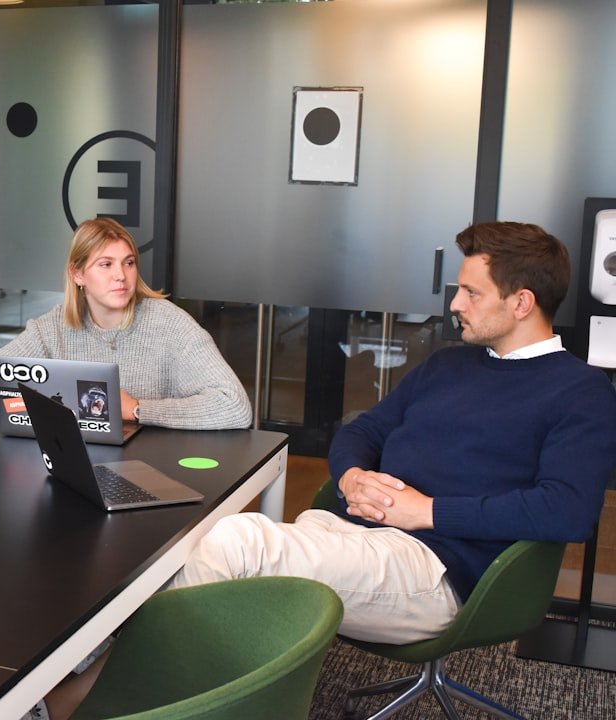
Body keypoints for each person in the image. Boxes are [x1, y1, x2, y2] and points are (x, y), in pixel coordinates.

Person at [168, 221, 616, 645]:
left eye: (471, 292)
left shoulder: (580, 392)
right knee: (202, 546)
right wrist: (352, 478)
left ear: (521, 303)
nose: (455, 304)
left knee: (234, 544)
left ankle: (160, 682)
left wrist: (427, 512)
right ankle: (208, 677)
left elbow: (567, 510)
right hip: (352, 529)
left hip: (433, 566)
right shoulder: (448, 364)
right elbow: (364, 430)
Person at [0, 217, 252, 430]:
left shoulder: (170, 324)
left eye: (128, 263)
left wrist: (136, 409)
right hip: (79, 462)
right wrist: (58, 402)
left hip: (156, 465)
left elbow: (235, 406)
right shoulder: (53, 327)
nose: (121, 275)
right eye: (106, 264)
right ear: (78, 274)